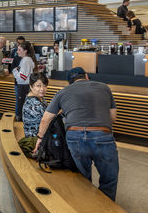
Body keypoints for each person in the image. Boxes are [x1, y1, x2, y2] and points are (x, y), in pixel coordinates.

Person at [33, 67, 119, 201]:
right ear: (86, 76)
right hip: (102, 134)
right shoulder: (104, 87)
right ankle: (106, 209)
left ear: (69, 82)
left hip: (75, 136)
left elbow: (46, 119)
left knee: (82, 177)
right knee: (109, 178)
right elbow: (113, 117)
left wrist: (40, 138)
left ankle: (83, 207)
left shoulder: (63, 92)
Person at [12, 42, 37, 122]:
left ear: (25, 51)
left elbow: (22, 78)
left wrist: (14, 71)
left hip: (23, 86)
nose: (17, 51)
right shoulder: (27, 60)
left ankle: (20, 125)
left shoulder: (25, 61)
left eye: (19, 50)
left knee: (21, 107)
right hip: (26, 86)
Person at [22, 73, 48, 137]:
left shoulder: (38, 97)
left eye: (44, 85)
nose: (42, 89)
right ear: (31, 86)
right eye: (38, 86)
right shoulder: (34, 104)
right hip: (35, 138)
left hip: (40, 133)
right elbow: (48, 119)